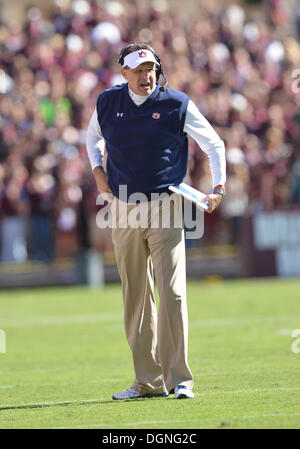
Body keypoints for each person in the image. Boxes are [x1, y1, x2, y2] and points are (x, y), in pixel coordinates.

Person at [86, 43, 226, 400]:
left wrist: (218, 187)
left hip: (166, 203)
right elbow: (92, 138)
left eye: (150, 69)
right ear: (124, 74)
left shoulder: (176, 103)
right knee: (136, 296)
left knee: (172, 292)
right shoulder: (108, 102)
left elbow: (214, 143)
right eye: (139, 70)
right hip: (123, 206)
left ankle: (179, 379)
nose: (146, 76)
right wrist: (97, 171)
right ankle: (146, 381)